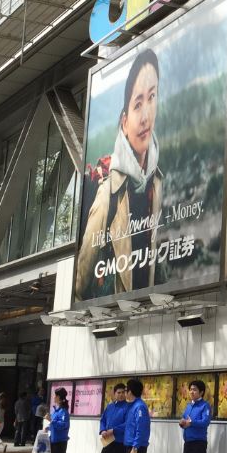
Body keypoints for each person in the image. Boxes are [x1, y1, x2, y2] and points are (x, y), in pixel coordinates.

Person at [76, 49, 163, 299]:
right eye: (137, 104)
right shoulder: (107, 195)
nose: (146, 115)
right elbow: (80, 282)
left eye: (152, 97)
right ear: (124, 122)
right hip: (115, 318)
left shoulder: (157, 181)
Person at [180, 380, 212, 453]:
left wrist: (191, 423)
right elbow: (185, 419)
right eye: (191, 389)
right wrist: (182, 422)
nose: (192, 392)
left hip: (198, 443)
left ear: (201, 392)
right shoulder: (189, 406)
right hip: (187, 443)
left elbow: (205, 422)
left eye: (195, 390)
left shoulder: (205, 406)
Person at [99, 383, 130, 453]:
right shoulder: (110, 406)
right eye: (119, 392)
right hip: (107, 444)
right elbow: (102, 420)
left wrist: (113, 430)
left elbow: (127, 424)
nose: (121, 395)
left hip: (120, 445)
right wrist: (102, 430)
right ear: (114, 393)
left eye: (123, 393)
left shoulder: (128, 407)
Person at [124, 379, 151, 453]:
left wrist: (135, 448)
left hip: (136, 448)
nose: (125, 392)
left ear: (131, 392)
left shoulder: (140, 407)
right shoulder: (131, 406)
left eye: (126, 390)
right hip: (128, 445)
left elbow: (141, 429)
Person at [42, 386, 70, 453]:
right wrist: (48, 427)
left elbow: (64, 425)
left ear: (59, 397)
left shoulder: (64, 412)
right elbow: (54, 424)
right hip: (52, 440)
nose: (54, 397)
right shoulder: (56, 410)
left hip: (60, 442)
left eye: (55, 396)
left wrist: (51, 421)